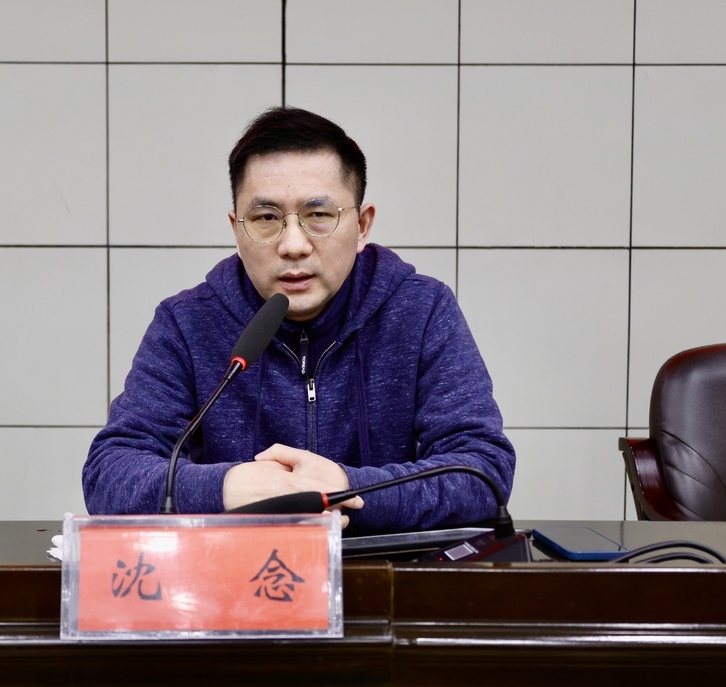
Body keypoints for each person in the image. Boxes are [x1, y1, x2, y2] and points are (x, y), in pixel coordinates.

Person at [82, 106, 515, 535]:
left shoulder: (421, 310)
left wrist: (347, 488)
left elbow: (483, 469)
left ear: (363, 226)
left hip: (384, 570)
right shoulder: (187, 322)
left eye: (318, 215)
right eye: (266, 218)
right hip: (236, 571)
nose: (293, 245)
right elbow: (110, 473)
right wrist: (229, 488)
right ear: (237, 229)